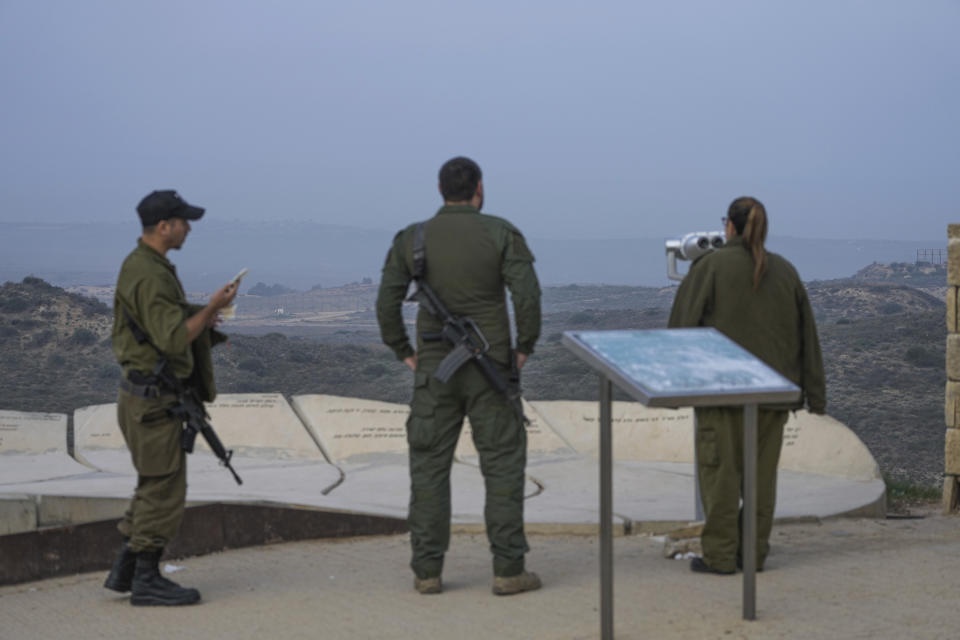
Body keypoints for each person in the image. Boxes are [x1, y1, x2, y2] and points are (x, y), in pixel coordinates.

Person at [376, 156, 543, 596]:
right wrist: (523, 348)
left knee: (429, 468)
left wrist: (404, 352)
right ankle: (508, 569)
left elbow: (386, 302)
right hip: (493, 371)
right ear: (479, 189)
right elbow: (527, 294)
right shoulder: (500, 233)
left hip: (436, 372)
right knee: (504, 467)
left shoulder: (413, 239)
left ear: (440, 190)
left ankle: (427, 571)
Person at [668, 196, 826, 575]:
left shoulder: (710, 267)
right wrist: (815, 395)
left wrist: (672, 385)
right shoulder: (786, 272)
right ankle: (753, 553)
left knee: (720, 476)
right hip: (774, 397)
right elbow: (809, 338)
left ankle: (721, 556)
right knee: (760, 481)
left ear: (730, 227)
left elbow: (681, 328)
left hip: (721, 395)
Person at [103, 189, 238, 606]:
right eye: (183, 221)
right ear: (164, 226)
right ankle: (146, 580)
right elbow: (173, 337)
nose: (188, 228)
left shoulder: (149, 266)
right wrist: (212, 305)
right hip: (153, 401)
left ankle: (127, 569)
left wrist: (205, 314)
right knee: (165, 490)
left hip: (150, 397)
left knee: (154, 484)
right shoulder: (148, 272)